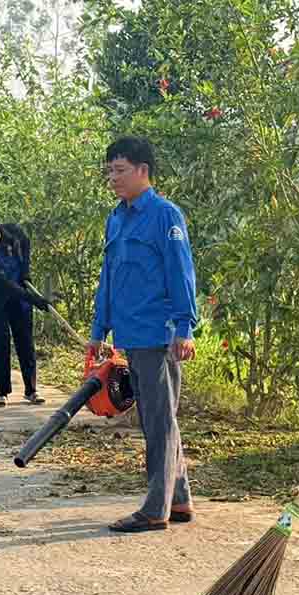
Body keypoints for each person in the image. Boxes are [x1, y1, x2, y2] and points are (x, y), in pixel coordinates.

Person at [87, 137, 199, 533]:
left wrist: (185, 327)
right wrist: (98, 329)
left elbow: (181, 273)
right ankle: (179, 500)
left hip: (158, 335)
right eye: (110, 171)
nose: (113, 178)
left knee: (158, 422)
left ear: (143, 171)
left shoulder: (165, 216)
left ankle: (155, 509)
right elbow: (109, 279)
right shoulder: (116, 218)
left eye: (120, 170)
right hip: (129, 334)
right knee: (158, 416)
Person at [0, 208, 52, 406]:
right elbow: (3, 283)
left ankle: (31, 390)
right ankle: (2, 392)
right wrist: (35, 300)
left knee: (25, 340)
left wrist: (25, 273)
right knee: (1, 341)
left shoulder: (14, 232)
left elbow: (25, 246)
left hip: (20, 298)